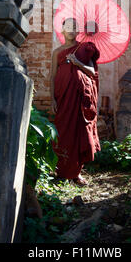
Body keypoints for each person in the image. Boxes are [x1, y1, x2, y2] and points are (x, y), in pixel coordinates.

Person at [50, 17, 101, 186]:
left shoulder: (84, 49)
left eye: (75, 28)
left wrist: (77, 62)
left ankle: (75, 174)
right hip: (62, 97)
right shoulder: (57, 52)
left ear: (78, 31)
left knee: (78, 133)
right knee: (62, 132)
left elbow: (92, 72)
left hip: (79, 98)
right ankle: (60, 171)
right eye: (68, 27)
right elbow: (52, 77)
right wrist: (52, 99)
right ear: (62, 30)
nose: (71, 31)